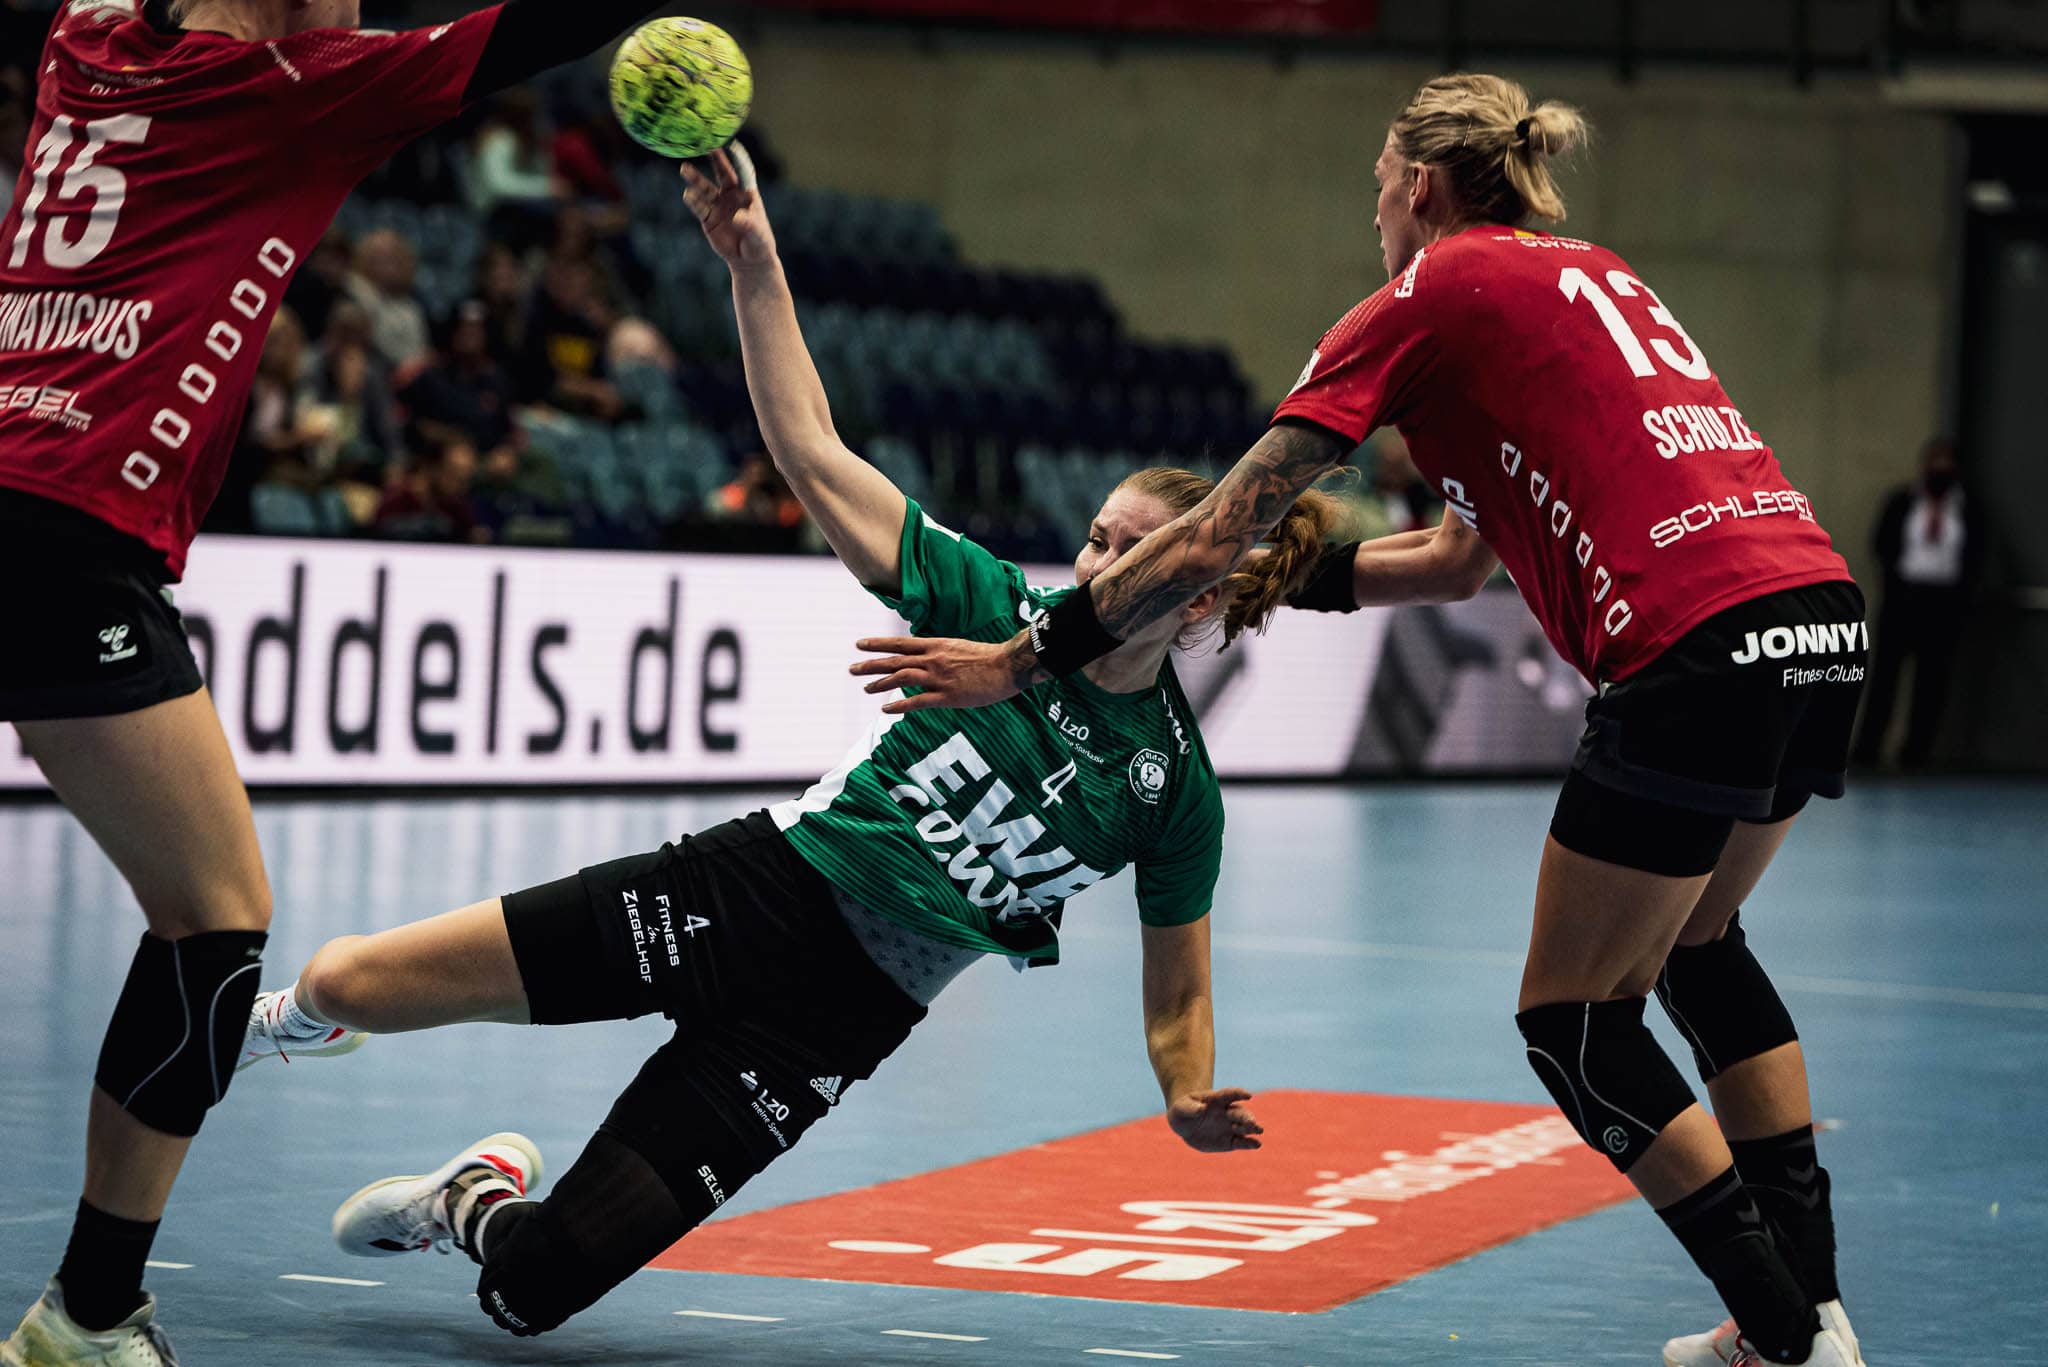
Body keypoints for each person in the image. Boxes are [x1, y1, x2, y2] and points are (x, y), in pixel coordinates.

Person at [851, 76, 1868, 1367]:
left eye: (1376, 189)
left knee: (1573, 1019)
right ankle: (1813, 1314)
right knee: (1701, 947)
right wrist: (1277, 584)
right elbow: (1450, 562)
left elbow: (1212, 526)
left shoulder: (1424, 296)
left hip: (1691, 645)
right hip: (1815, 614)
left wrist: (1028, 652)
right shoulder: (1581, 275)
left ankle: (1783, 1337)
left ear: (1420, 188)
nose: (1372, 214)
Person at [226, 146, 1306, 1341]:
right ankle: (278, 1022)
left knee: (530, 1292)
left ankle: (469, 1198)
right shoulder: (990, 601)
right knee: (348, 982)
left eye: (1132, 552)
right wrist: (753, 261)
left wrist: (1184, 1088)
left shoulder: (1171, 788)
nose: (1097, 566)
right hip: (749, 892)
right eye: (1096, 538)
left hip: (840, 1016)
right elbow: (811, 452)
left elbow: (1178, 987)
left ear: (1198, 594)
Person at [0, 0, 696, 1360]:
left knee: (209, 921)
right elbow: (540, 27)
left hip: (23, 495)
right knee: (212, 929)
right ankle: (86, 1313)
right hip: (67, 533)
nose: (362, 16)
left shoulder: (85, 41)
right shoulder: (296, 84)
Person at [1851, 435, 1976, 769]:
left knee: (1931, 682)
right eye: (1935, 461)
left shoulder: (1967, 508)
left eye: (1947, 461)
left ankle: (1915, 755)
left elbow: (1974, 556)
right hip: (1902, 599)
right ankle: (1867, 751)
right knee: (1884, 678)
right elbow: (1882, 544)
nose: (1941, 468)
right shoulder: (1902, 501)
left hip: (1943, 604)